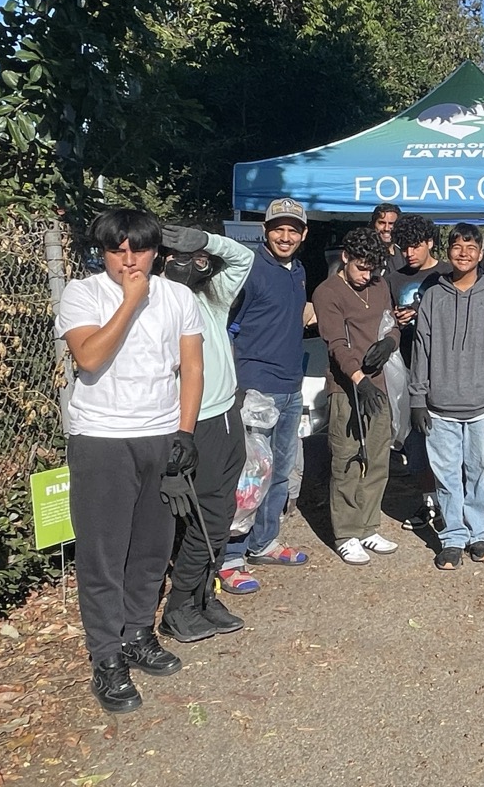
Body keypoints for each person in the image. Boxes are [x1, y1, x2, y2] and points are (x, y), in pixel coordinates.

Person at [54, 209, 204, 712]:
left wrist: (185, 431)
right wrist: (131, 302)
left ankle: (138, 632)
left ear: (156, 252)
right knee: (103, 553)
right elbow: (89, 357)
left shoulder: (179, 297)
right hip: (102, 439)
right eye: (117, 251)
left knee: (151, 548)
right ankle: (106, 654)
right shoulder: (83, 294)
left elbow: (192, 366)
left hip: (159, 434)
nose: (128, 260)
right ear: (103, 253)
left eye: (138, 250)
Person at [157, 226, 254, 644]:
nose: (188, 265)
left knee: (222, 514)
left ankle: (204, 594)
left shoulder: (210, 298)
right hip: (196, 424)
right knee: (206, 517)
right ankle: (179, 605)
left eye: (194, 259)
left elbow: (243, 258)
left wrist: (204, 240)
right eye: (176, 258)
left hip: (228, 414)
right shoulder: (156, 305)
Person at [409, 224, 484, 570]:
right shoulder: (433, 297)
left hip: (482, 406)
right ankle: (453, 537)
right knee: (446, 476)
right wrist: (417, 399)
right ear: (448, 251)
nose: (464, 253)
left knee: (478, 472)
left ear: (481, 253)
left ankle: (478, 533)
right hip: (439, 406)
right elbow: (421, 351)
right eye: (457, 247)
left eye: (471, 248)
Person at [220, 198, 314, 594]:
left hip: (291, 385)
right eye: (279, 229)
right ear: (265, 231)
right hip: (255, 386)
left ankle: (263, 543)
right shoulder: (250, 269)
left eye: (293, 230)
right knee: (248, 475)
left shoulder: (299, 271)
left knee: (279, 471)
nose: (285, 236)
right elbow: (226, 324)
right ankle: (230, 556)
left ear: (303, 234)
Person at [311, 227, 402, 565]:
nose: (367, 276)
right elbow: (336, 344)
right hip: (347, 386)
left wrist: (389, 343)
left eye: (372, 269)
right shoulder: (327, 292)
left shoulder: (379, 285)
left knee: (378, 456)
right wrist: (359, 380)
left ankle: (368, 525)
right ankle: (346, 532)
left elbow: (392, 324)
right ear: (345, 257)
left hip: (380, 384)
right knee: (347, 458)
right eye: (361, 268)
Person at [388, 213, 451, 531]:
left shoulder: (448, 273)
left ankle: (457, 505)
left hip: (446, 372)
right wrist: (393, 322)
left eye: (414, 246)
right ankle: (429, 502)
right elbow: (383, 322)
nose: (408, 253)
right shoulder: (394, 278)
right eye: (403, 247)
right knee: (416, 444)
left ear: (429, 242)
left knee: (449, 443)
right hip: (408, 369)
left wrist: (421, 311)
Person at [371, 202, 406, 279]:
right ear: (374, 224)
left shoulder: (405, 253)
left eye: (391, 223)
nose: (386, 228)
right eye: (382, 223)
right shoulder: (366, 252)